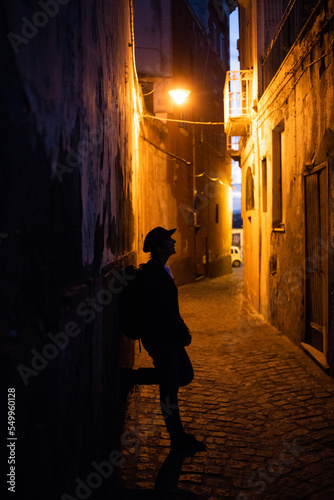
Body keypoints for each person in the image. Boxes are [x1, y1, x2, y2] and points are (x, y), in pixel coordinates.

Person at [124, 227, 205, 452]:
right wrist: (182, 333)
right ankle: (178, 438)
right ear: (160, 247)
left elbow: (169, 309)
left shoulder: (160, 269)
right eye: (169, 239)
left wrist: (180, 330)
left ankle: (131, 377)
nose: (174, 241)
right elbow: (161, 312)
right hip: (161, 339)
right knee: (170, 387)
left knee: (183, 375)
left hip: (169, 338)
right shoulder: (154, 273)